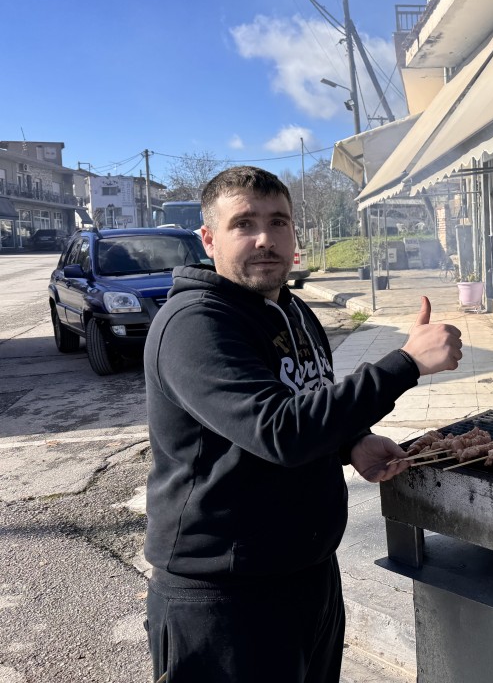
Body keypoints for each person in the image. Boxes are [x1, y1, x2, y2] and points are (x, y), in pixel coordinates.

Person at [143, 166, 462, 682]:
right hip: (225, 599)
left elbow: (305, 405)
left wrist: (350, 443)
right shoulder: (195, 324)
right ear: (209, 238)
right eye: (244, 223)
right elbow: (279, 431)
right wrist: (404, 364)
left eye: (278, 222)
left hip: (308, 576)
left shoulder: (293, 312)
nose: (265, 239)